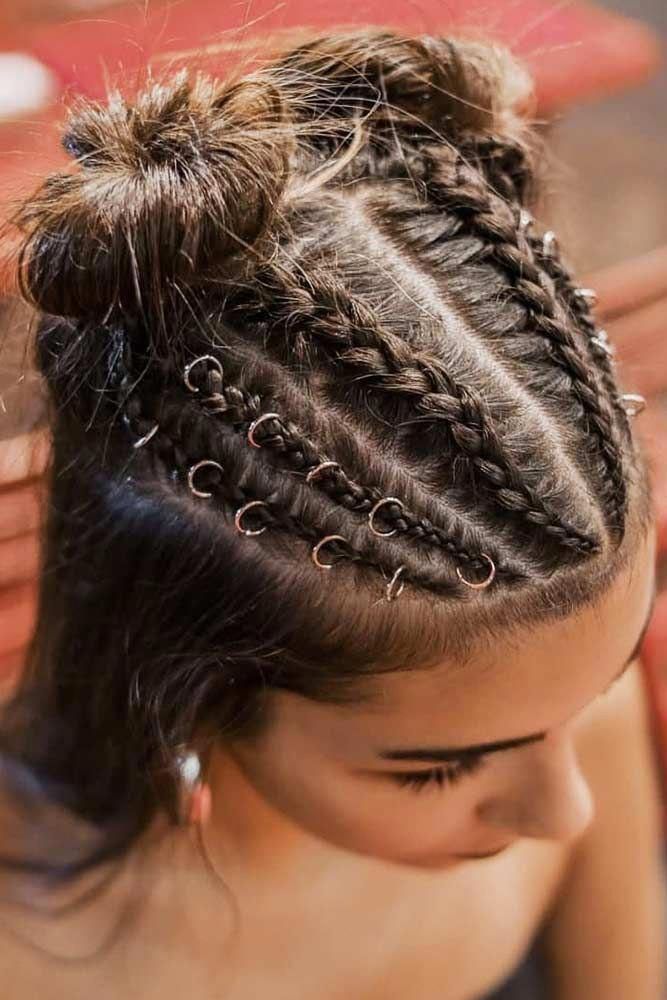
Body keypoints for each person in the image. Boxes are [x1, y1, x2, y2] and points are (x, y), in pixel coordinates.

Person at [0, 27, 664, 999]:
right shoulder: (31, 951)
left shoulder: (554, 713)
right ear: (186, 695)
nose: (566, 810)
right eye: (437, 772)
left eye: (607, 678)